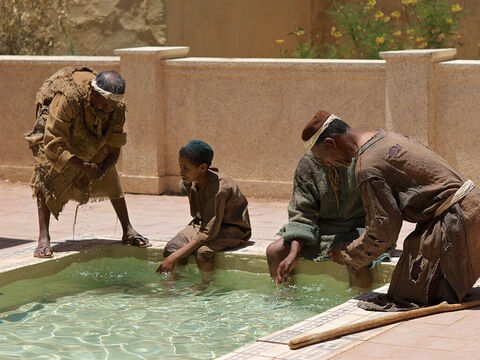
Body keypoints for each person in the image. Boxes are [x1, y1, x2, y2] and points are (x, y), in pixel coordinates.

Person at [308, 110, 480, 310]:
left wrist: (347, 254)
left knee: (407, 297)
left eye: (324, 159)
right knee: (410, 279)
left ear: (331, 143)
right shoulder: (386, 137)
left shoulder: (367, 167)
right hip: (470, 208)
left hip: (459, 220)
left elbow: (383, 233)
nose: (328, 165)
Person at [25, 66, 150, 258]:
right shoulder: (68, 98)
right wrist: (83, 166)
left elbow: (114, 148)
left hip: (92, 133)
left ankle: (128, 229)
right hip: (54, 128)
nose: (105, 112)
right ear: (92, 92)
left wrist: (102, 168)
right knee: (46, 172)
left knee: (109, 172)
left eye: (110, 108)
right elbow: (53, 143)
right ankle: (43, 237)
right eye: (102, 106)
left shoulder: (116, 109)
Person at [267, 110, 385, 289]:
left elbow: (381, 210)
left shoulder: (363, 159)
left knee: (354, 258)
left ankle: (358, 306)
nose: (325, 163)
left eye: (323, 156)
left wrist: (358, 243)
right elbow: (302, 213)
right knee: (275, 251)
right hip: (324, 230)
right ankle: (286, 302)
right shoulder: (308, 165)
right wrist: (293, 254)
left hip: (360, 228)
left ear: (331, 144)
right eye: (318, 158)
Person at [157, 140, 251, 282]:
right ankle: (174, 286)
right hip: (203, 222)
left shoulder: (219, 190)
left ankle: (206, 286)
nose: (180, 172)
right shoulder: (191, 180)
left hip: (231, 228)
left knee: (203, 252)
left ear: (202, 168)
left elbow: (208, 232)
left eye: (185, 168)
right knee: (171, 248)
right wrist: (174, 254)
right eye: (180, 166)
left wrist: (175, 257)